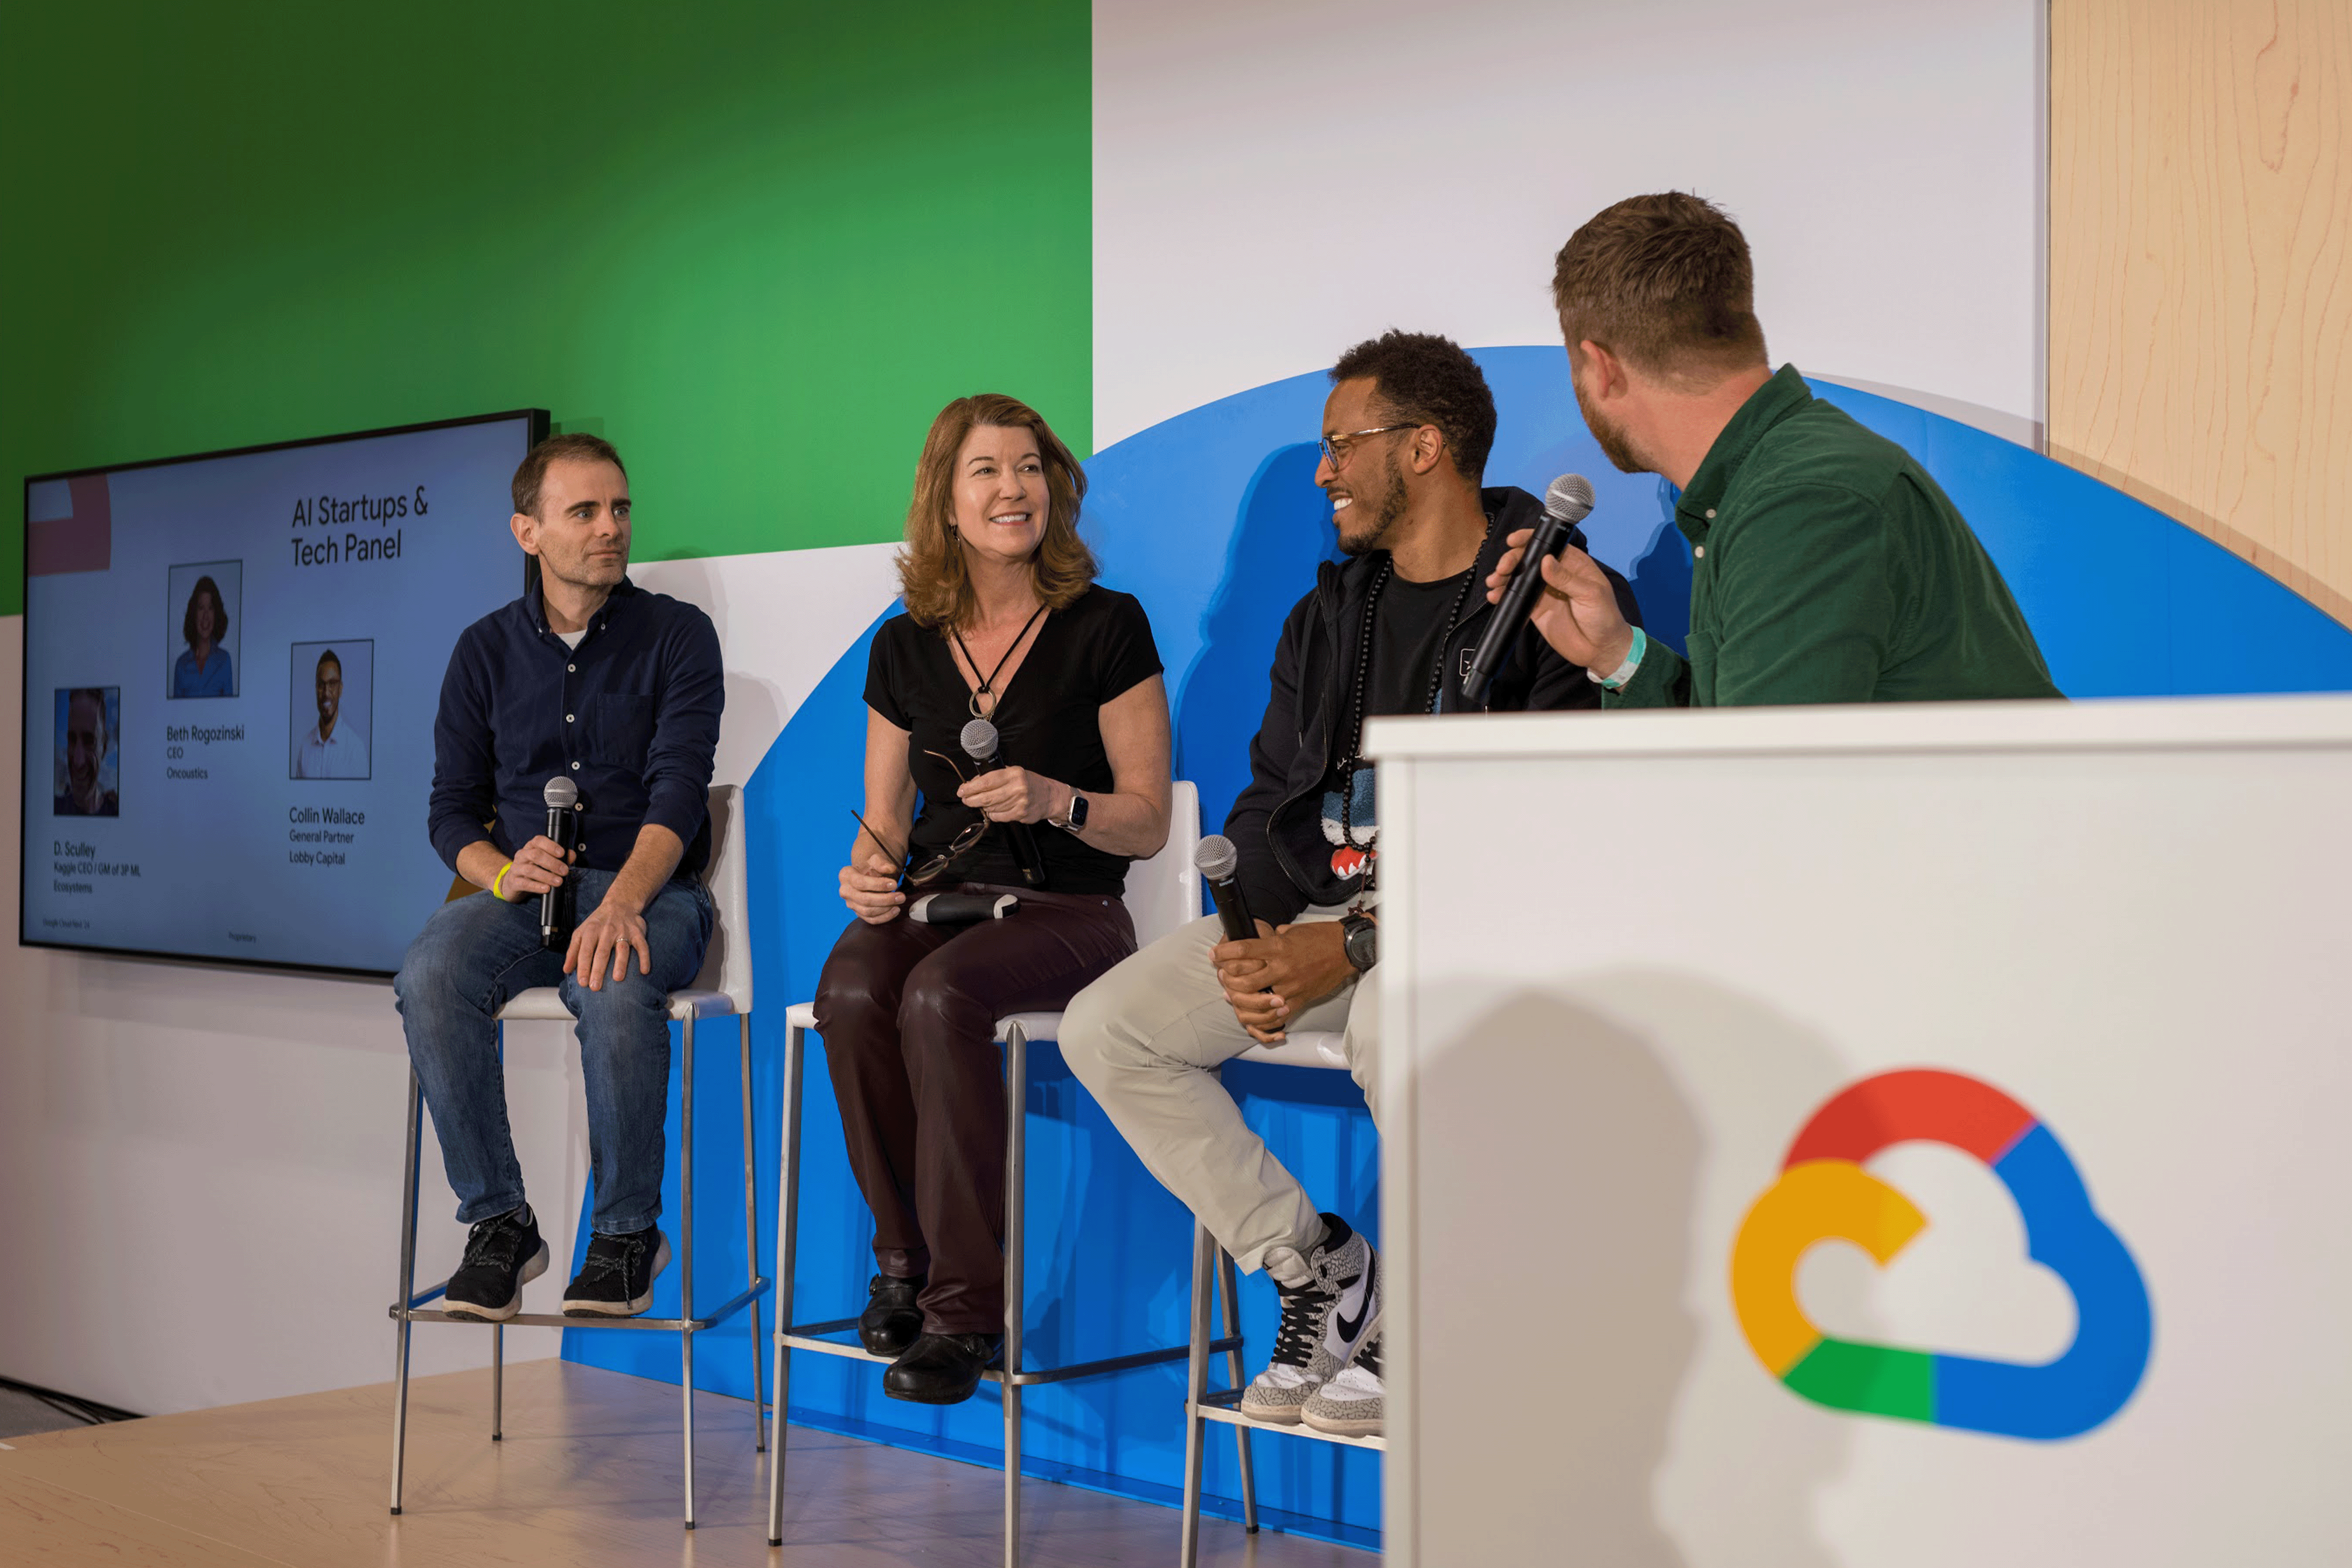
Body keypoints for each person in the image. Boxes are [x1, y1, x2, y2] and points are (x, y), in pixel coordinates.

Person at [1059, 333, 1640, 1439]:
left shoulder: (1549, 590)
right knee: (1109, 1027)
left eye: (1340, 445)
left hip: (1477, 928)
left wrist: (1360, 942)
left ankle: (1447, 1319)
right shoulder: (1325, 616)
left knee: (1387, 1023)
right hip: (1328, 917)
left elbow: (1543, 832)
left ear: (1422, 448)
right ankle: (1321, 1269)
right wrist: (1250, 937)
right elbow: (1265, 798)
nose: (1323, 471)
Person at [816, 393, 1172, 1406]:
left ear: (1053, 489)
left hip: (1071, 915)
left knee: (940, 998)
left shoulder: (1107, 625)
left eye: (1028, 467)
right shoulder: (903, 645)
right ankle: (905, 1265)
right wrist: (867, 872)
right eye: (986, 470)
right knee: (849, 989)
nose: (1012, 488)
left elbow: (1143, 821)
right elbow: (882, 817)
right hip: (938, 903)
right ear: (946, 498)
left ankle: (966, 1315)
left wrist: (1057, 800)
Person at [1488, 191, 2060, 707]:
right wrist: (1617, 656)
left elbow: (1763, 792)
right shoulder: (1770, 483)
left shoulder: (1802, 501)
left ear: (1600, 366)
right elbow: (1752, 743)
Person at [393, 432, 722, 1322]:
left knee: (609, 977)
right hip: (525, 898)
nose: (610, 527)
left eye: (619, 508)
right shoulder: (483, 652)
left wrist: (621, 902)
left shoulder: (677, 637)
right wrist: (501, 875)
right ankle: (501, 1224)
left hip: (651, 890)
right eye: (584, 511)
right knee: (428, 971)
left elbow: (680, 790)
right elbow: (450, 813)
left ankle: (624, 1233)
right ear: (527, 531)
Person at [293, 648, 369, 778]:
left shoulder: (355, 750)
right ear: (316, 689)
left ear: (341, 689)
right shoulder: (305, 747)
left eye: (332, 684)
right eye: (321, 685)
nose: (326, 693)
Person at [56, 688, 119, 816]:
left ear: (104, 748)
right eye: (72, 740)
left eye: (90, 741)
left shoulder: (114, 811)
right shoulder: (54, 809)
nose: (79, 762)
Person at [172, 576, 234, 698]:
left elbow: (230, 711)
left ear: (216, 614)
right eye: (201, 608)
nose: (206, 616)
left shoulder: (225, 660)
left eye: (210, 608)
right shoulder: (181, 665)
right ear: (194, 614)